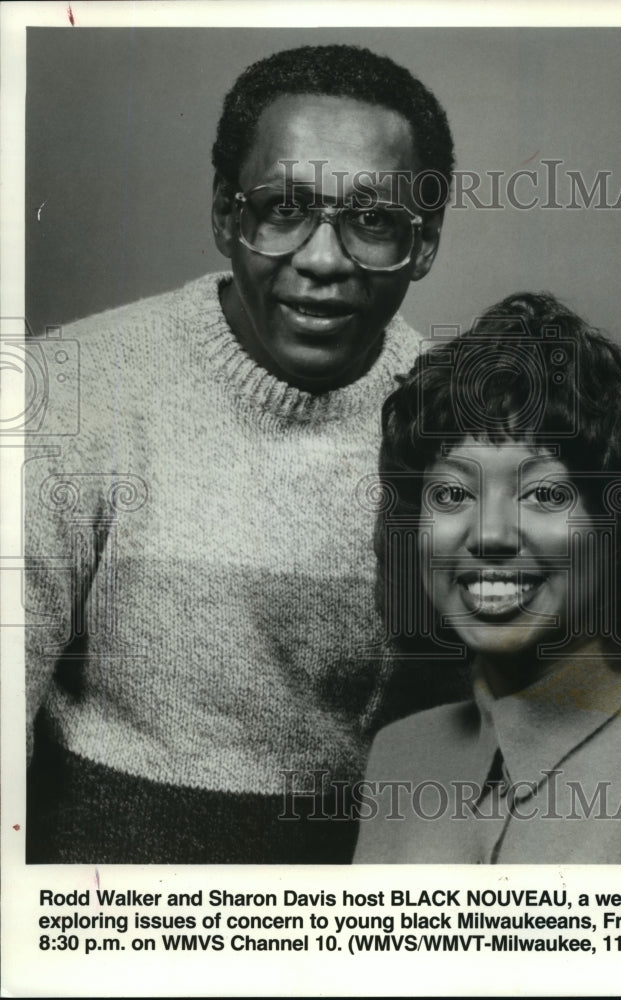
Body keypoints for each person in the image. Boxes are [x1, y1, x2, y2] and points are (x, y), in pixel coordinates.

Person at [24, 44, 467, 864]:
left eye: (373, 221)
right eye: (282, 208)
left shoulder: (458, 425)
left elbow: (483, 744)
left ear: (426, 242)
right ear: (227, 216)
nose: (324, 260)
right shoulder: (65, 393)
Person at [353, 292, 621, 864]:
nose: (490, 534)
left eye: (543, 493)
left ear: (616, 521)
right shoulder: (402, 757)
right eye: (451, 493)